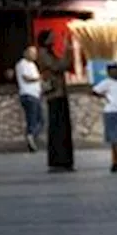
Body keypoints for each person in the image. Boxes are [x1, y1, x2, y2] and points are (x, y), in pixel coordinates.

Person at [37, 29, 75, 172]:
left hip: (59, 93)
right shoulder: (44, 54)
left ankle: (63, 159)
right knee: (58, 127)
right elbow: (59, 66)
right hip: (55, 94)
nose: (53, 40)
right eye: (51, 38)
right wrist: (67, 50)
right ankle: (59, 159)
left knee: (62, 127)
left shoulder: (48, 53)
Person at [15, 45, 44, 152]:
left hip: (35, 94)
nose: (34, 55)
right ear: (26, 53)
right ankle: (30, 135)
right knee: (34, 119)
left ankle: (31, 137)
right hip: (29, 94)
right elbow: (26, 78)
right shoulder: (22, 64)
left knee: (39, 120)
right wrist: (39, 78)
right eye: (32, 53)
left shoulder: (32, 64)